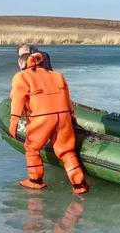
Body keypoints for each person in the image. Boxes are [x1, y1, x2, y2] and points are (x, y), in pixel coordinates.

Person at [9, 52, 89, 194]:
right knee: (66, 151)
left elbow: (17, 99)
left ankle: (35, 181)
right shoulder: (57, 75)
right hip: (63, 116)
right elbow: (67, 98)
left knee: (32, 148)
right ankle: (79, 184)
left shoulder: (21, 77)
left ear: (22, 64)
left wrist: (14, 121)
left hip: (41, 117)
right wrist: (72, 117)